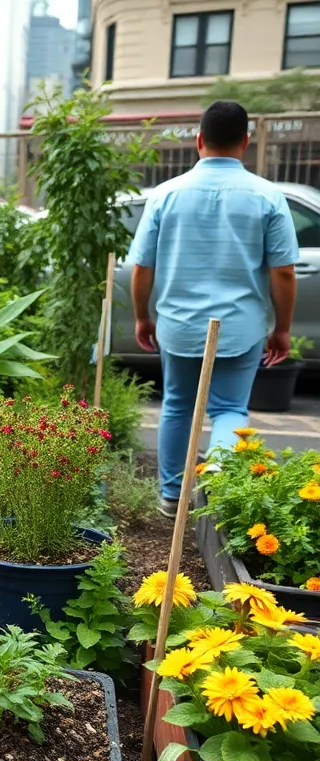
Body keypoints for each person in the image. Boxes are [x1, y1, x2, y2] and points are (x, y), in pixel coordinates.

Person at [128, 100, 298, 517]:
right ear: (246, 142)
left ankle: (172, 497)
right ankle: (217, 492)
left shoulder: (165, 195)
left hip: (179, 325)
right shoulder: (268, 196)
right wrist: (282, 328)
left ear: (198, 140)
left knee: (178, 406)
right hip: (240, 326)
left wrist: (142, 316)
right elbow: (284, 273)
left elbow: (142, 267)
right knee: (229, 410)